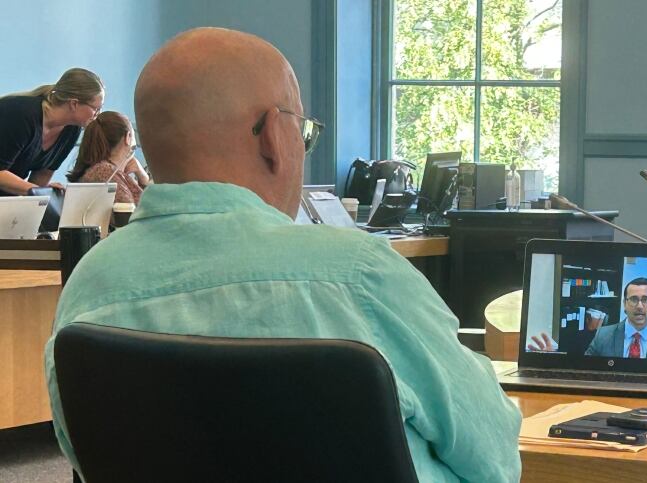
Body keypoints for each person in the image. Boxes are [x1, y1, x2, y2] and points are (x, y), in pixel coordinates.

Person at [45, 27, 521, 482]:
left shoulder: (89, 289)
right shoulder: (360, 277)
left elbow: (89, 459)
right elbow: (495, 456)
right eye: (305, 133)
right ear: (274, 135)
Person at [0, 68, 104, 195]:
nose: (97, 115)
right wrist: (40, 191)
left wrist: (45, 193)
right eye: (96, 109)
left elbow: (43, 174)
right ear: (74, 104)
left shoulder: (71, 130)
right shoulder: (20, 115)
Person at [585, 278, 647, 360]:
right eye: (633, 299)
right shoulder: (602, 336)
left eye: (645, 300)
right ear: (624, 304)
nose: (639, 306)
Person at [67, 111, 149, 204]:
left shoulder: (103, 171)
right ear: (128, 137)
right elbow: (136, 214)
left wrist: (143, 177)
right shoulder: (105, 172)